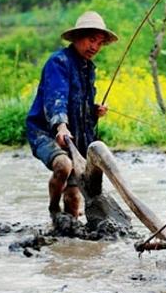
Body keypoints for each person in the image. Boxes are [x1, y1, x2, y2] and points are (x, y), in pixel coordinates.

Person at [26, 11, 118, 223]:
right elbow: (55, 98)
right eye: (91, 40)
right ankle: (53, 210)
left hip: (75, 138)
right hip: (46, 131)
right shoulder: (58, 63)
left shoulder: (88, 69)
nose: (95, 47)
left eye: (100, 43)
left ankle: (69, 229)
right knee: (64, 166)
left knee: (75, 198)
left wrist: (94, 112)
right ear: (77, 37)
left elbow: (80, 107)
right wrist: (60, 126)